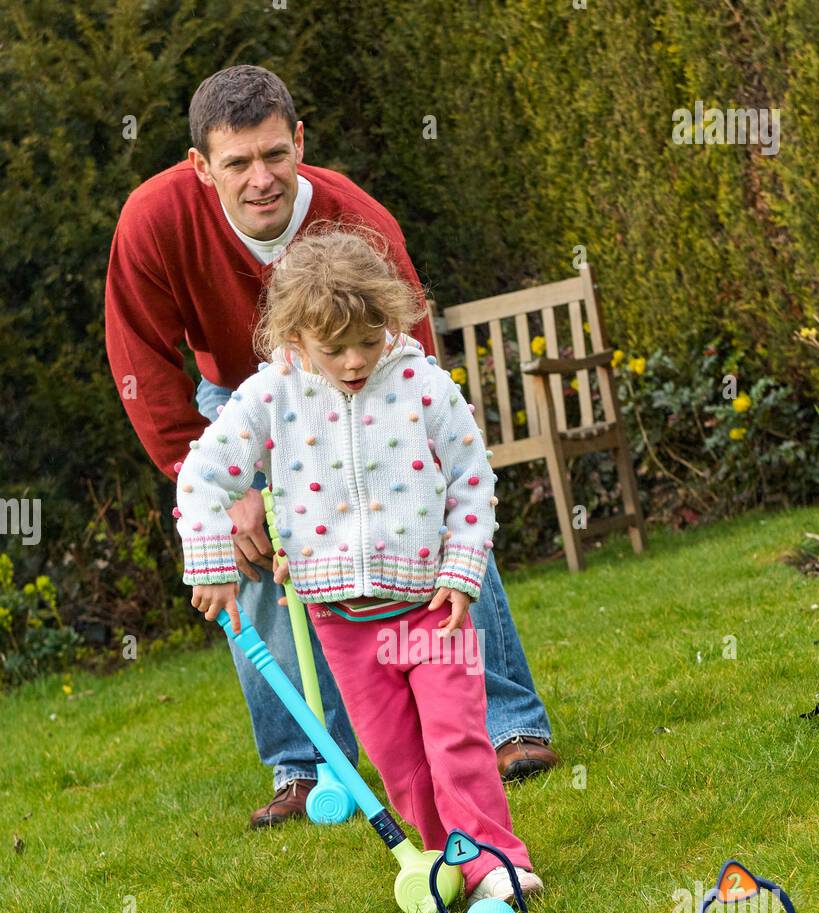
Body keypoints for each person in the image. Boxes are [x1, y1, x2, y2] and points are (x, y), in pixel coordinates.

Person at [105, 63, 560, 829]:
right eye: (238, 162)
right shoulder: (153, 221)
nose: (261, 179)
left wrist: (425, 459)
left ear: (299, 142)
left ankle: (507, 721)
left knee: (441, 518)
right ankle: (306, 763)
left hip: (365, 376)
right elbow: (141, 361)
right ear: (199, 167)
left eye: (275, 154)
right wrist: (219, 481)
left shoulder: (357, 218)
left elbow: (410, 344)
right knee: (251, 551)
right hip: (239, 394)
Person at [176, 226, 543, 907]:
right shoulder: (270, 396)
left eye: (368, 342)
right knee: (399, 763)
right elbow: (201, 477)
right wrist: (210, 566)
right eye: (333, 348)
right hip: (343, 625)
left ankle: (495, 860)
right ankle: (445, 856)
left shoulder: (421, 385)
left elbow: (470, 479)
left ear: (390, 321)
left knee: (457, 741)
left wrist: (461, 569)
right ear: (294, 338)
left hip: (430, 609)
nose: (353, 361)